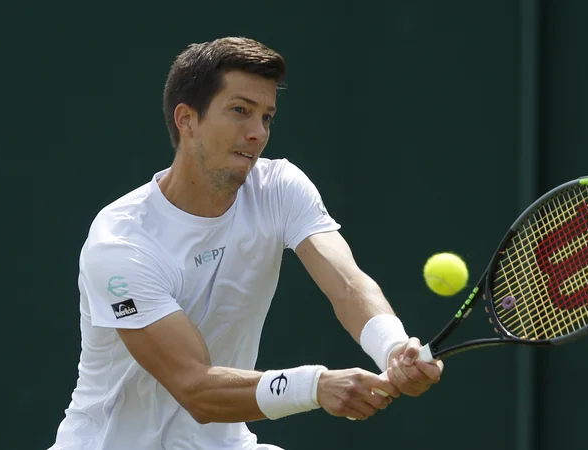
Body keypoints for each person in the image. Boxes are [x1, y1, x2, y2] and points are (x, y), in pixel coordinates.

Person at [48, 36, 444, 450]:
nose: (257, 133)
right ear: (187, 120)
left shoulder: (280, 188)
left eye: (267, 117)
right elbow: (195, 387)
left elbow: (347, 285)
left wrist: (394, 348)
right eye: (240, 111)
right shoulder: (121, 244)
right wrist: (316, 385)